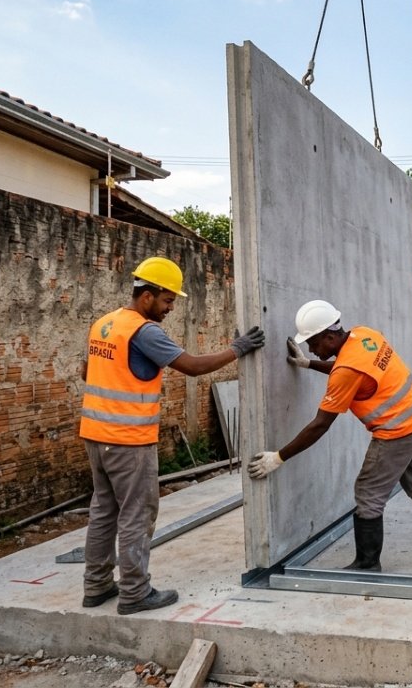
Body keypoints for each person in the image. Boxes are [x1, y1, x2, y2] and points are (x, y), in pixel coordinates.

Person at [79, 256, 265, 614]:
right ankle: (134, 592)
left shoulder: (104, 324)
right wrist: (237, 349)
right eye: (167, 301)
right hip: (128, 439)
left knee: (103, 511)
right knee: (137, 513)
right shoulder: (144, 331)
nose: (169, 309)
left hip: (95, 435)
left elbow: (89, 370)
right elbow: (192, 367)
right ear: (147, 295)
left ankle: (97, 585)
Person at [247, 299, 412, 572]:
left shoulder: (346, 371)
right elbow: (352, 368)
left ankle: (367, 564)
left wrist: (278, 458)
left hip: (397, 431)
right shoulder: (365, 335)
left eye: (313, 343)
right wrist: (308, 364)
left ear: (330, 336)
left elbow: (320, 424)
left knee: (368, 493)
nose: (311, 348)